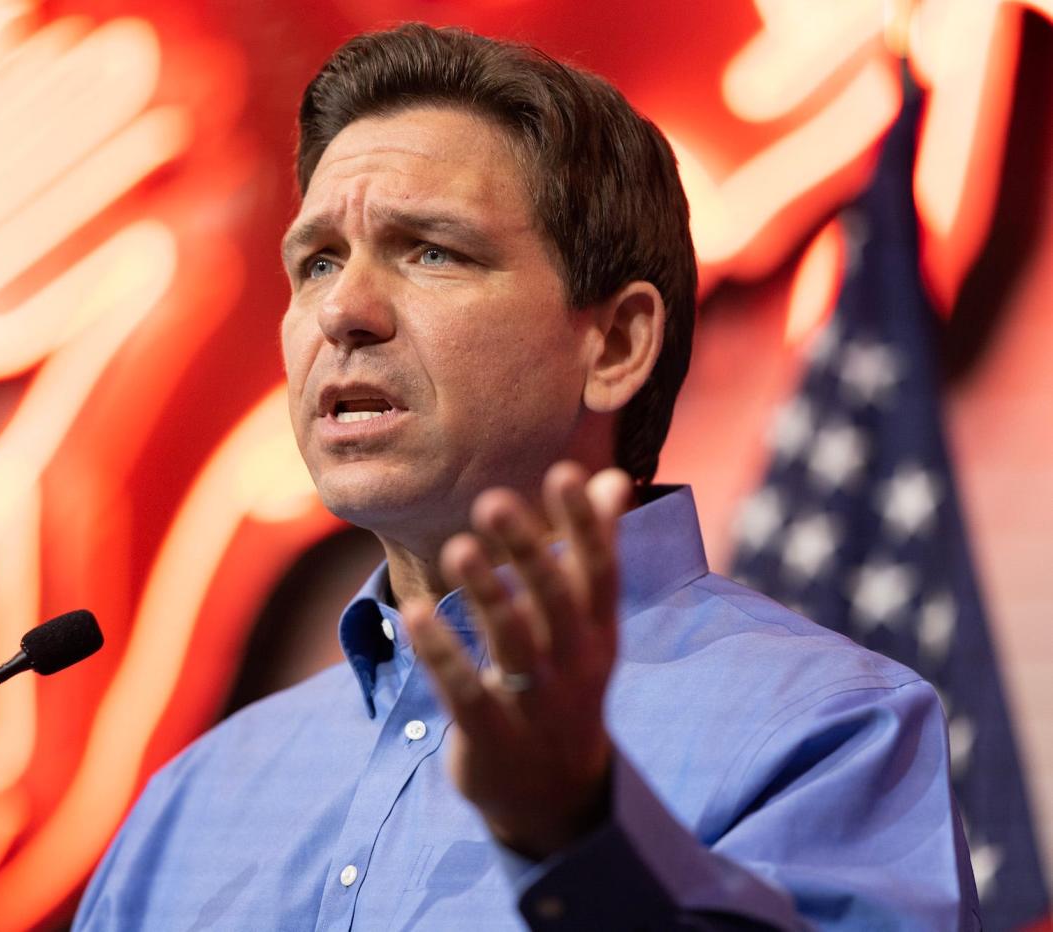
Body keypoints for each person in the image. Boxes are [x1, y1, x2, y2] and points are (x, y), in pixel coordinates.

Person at [73, 23, 978, 930]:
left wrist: (581, 834)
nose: (342, 310)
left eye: (431, 250)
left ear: (617, 345)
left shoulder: (830, 731)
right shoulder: (187, 807)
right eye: (316, 262)